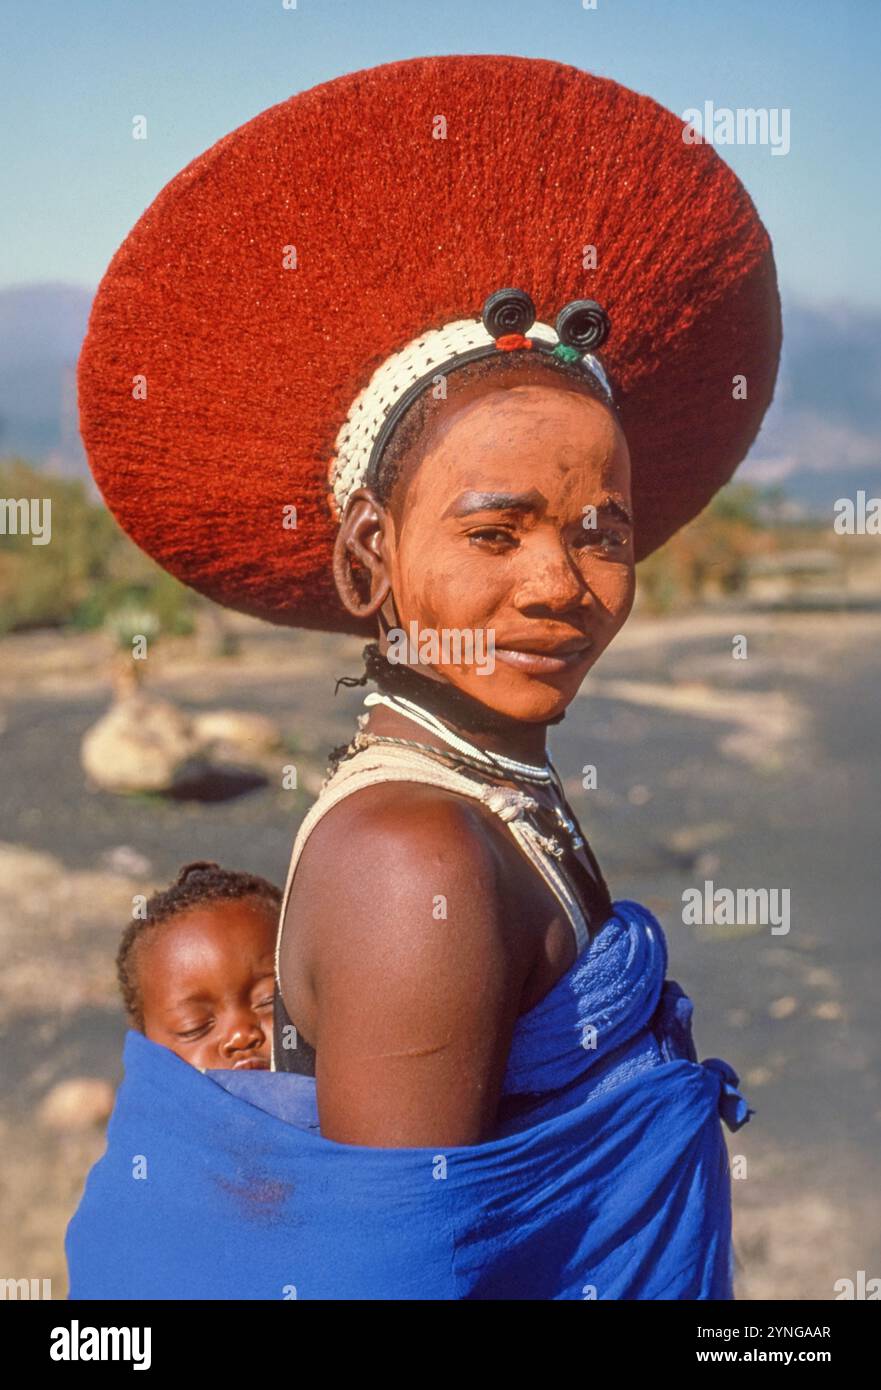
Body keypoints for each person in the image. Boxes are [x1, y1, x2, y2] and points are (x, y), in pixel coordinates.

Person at [68, 54, 781, 1300]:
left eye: (600, 530)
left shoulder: (496, 799)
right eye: (493, 532)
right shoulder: (418, 860)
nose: (561, 581)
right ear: (368, 560)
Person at [116, 861, 281, 1073]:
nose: (240, 1036)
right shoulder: (150, 1105)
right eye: (194, 1026)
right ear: (148, 1043)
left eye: (269, 1000)